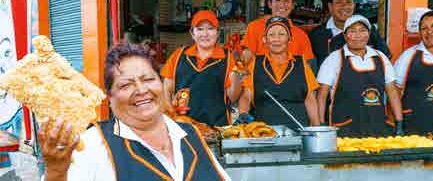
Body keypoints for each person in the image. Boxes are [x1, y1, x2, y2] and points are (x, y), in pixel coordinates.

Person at [39, 44, 231, 181]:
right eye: (126, 84)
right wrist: (56, 173)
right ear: (110, 96)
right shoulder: (91, 146)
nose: (141, 90)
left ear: (161, 83)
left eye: (148, 79)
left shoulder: (189, 135)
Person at [316, 15, 403, 137]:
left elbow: (392, 92)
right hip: (344, 128)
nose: (358, 35)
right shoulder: (334, 59)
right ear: (345, 36)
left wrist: (399, 123)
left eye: (362, 30)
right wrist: (320, 125)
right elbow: (321, 95)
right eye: (352, 31)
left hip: (377, 127)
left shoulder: (381, 58)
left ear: (369, 34)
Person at [161, 10, 242, 126]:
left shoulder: (229, 57)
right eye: (199, 29)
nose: (205, 34)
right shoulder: (179, 55)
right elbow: (166, 89)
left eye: (210, 28)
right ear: (192, 33)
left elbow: (234, 97)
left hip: (217, 126)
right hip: (182, 126)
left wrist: (238, 70)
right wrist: (169, 116)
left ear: (218, 32)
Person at [238, 16, 320, 129]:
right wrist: (243, 114)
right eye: (271, 35)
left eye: (282, 34)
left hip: (298, 131)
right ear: (264, 40)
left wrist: (317, 128)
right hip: (263, 133)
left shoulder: (302, 63)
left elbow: (310, 99)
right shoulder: (255, 63)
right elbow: (246, 95)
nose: (276, 39)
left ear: (290, 39)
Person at [308, 0, 391, 68]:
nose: (344, 6)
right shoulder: (316, 35)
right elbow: (311, 67)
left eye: (348, 1)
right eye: (338, 2)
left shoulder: (368, 30)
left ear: (354, 5)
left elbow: (385, 56)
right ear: (330, 6)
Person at [240, 0, 316, 70]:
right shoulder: (254, 27)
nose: (282, 4)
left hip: (290, 82)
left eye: (286, 1)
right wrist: (236, 76)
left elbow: (308, 67)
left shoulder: (302, 36)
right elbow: (245, 58)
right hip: (258, 81)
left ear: (292, 5)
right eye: (278, 0)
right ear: (269, 3)